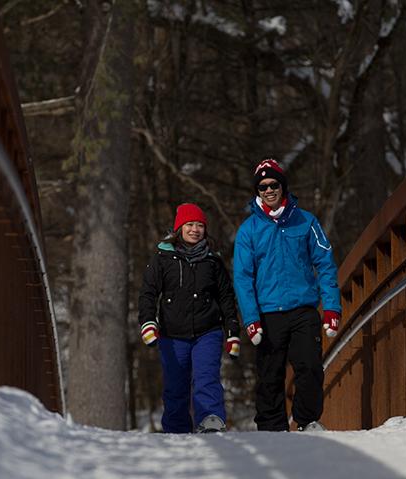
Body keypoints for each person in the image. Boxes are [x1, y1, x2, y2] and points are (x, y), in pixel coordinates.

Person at [232, 158, 341, 432]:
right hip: (268, 314)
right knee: (270, 374)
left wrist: (331, 308)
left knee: (310, 367)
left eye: (273, 185)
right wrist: (250, 318)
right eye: (262, 187)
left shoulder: (306, 221)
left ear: (283, 186)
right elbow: (243, 278)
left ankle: (307, 421)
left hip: (303, 309)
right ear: (257, 192)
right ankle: (271, 429)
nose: (269, 191)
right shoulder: (248, 230)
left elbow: (325, 264)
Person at [138, 203, 241, 433]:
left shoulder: (213, 261)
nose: (195, 230)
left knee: (207, 378)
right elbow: (148, 293)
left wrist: (233, 331)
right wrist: (148, 321)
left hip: (208, 331)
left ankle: (211, 420)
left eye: (200, 225)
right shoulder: (162, 258)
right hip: (172, 334)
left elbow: (226, 297)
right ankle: (176, 430)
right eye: (190, 225)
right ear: (179, 228)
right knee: (175, 385)